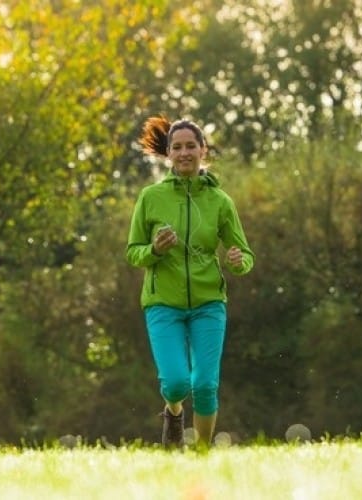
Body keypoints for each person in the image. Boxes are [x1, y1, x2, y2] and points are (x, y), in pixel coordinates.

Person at [126, 116, 254, 449]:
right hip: (162, 304)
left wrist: (239, 262)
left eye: (190, 146)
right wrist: (154, 249)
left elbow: (244, 253)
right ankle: (172, 412)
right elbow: (133, 253)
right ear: (168, 153)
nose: (184, 152)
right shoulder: (151, 198)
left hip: (209, 303)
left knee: (206, 384)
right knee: (177, 383)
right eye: (177, 147)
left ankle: (202, 454)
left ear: (203, 150)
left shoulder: (220, 201)